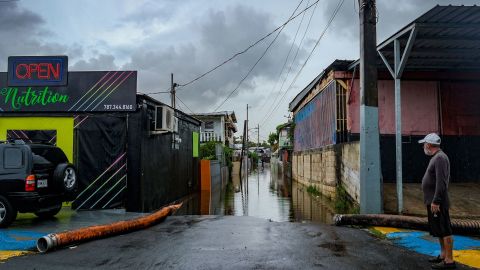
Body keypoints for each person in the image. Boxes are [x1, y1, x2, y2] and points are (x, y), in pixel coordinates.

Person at [419, 133, 456, 269]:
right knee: (440, 230)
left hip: (438, 203)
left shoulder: (440, 158)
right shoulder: (437, 157)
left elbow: (442, 182)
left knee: (445, 230)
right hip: (434, 202)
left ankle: (449, 261)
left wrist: (436, 200)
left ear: (429, 145)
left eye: (424, 144)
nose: (424, 146)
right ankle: (442, 255)